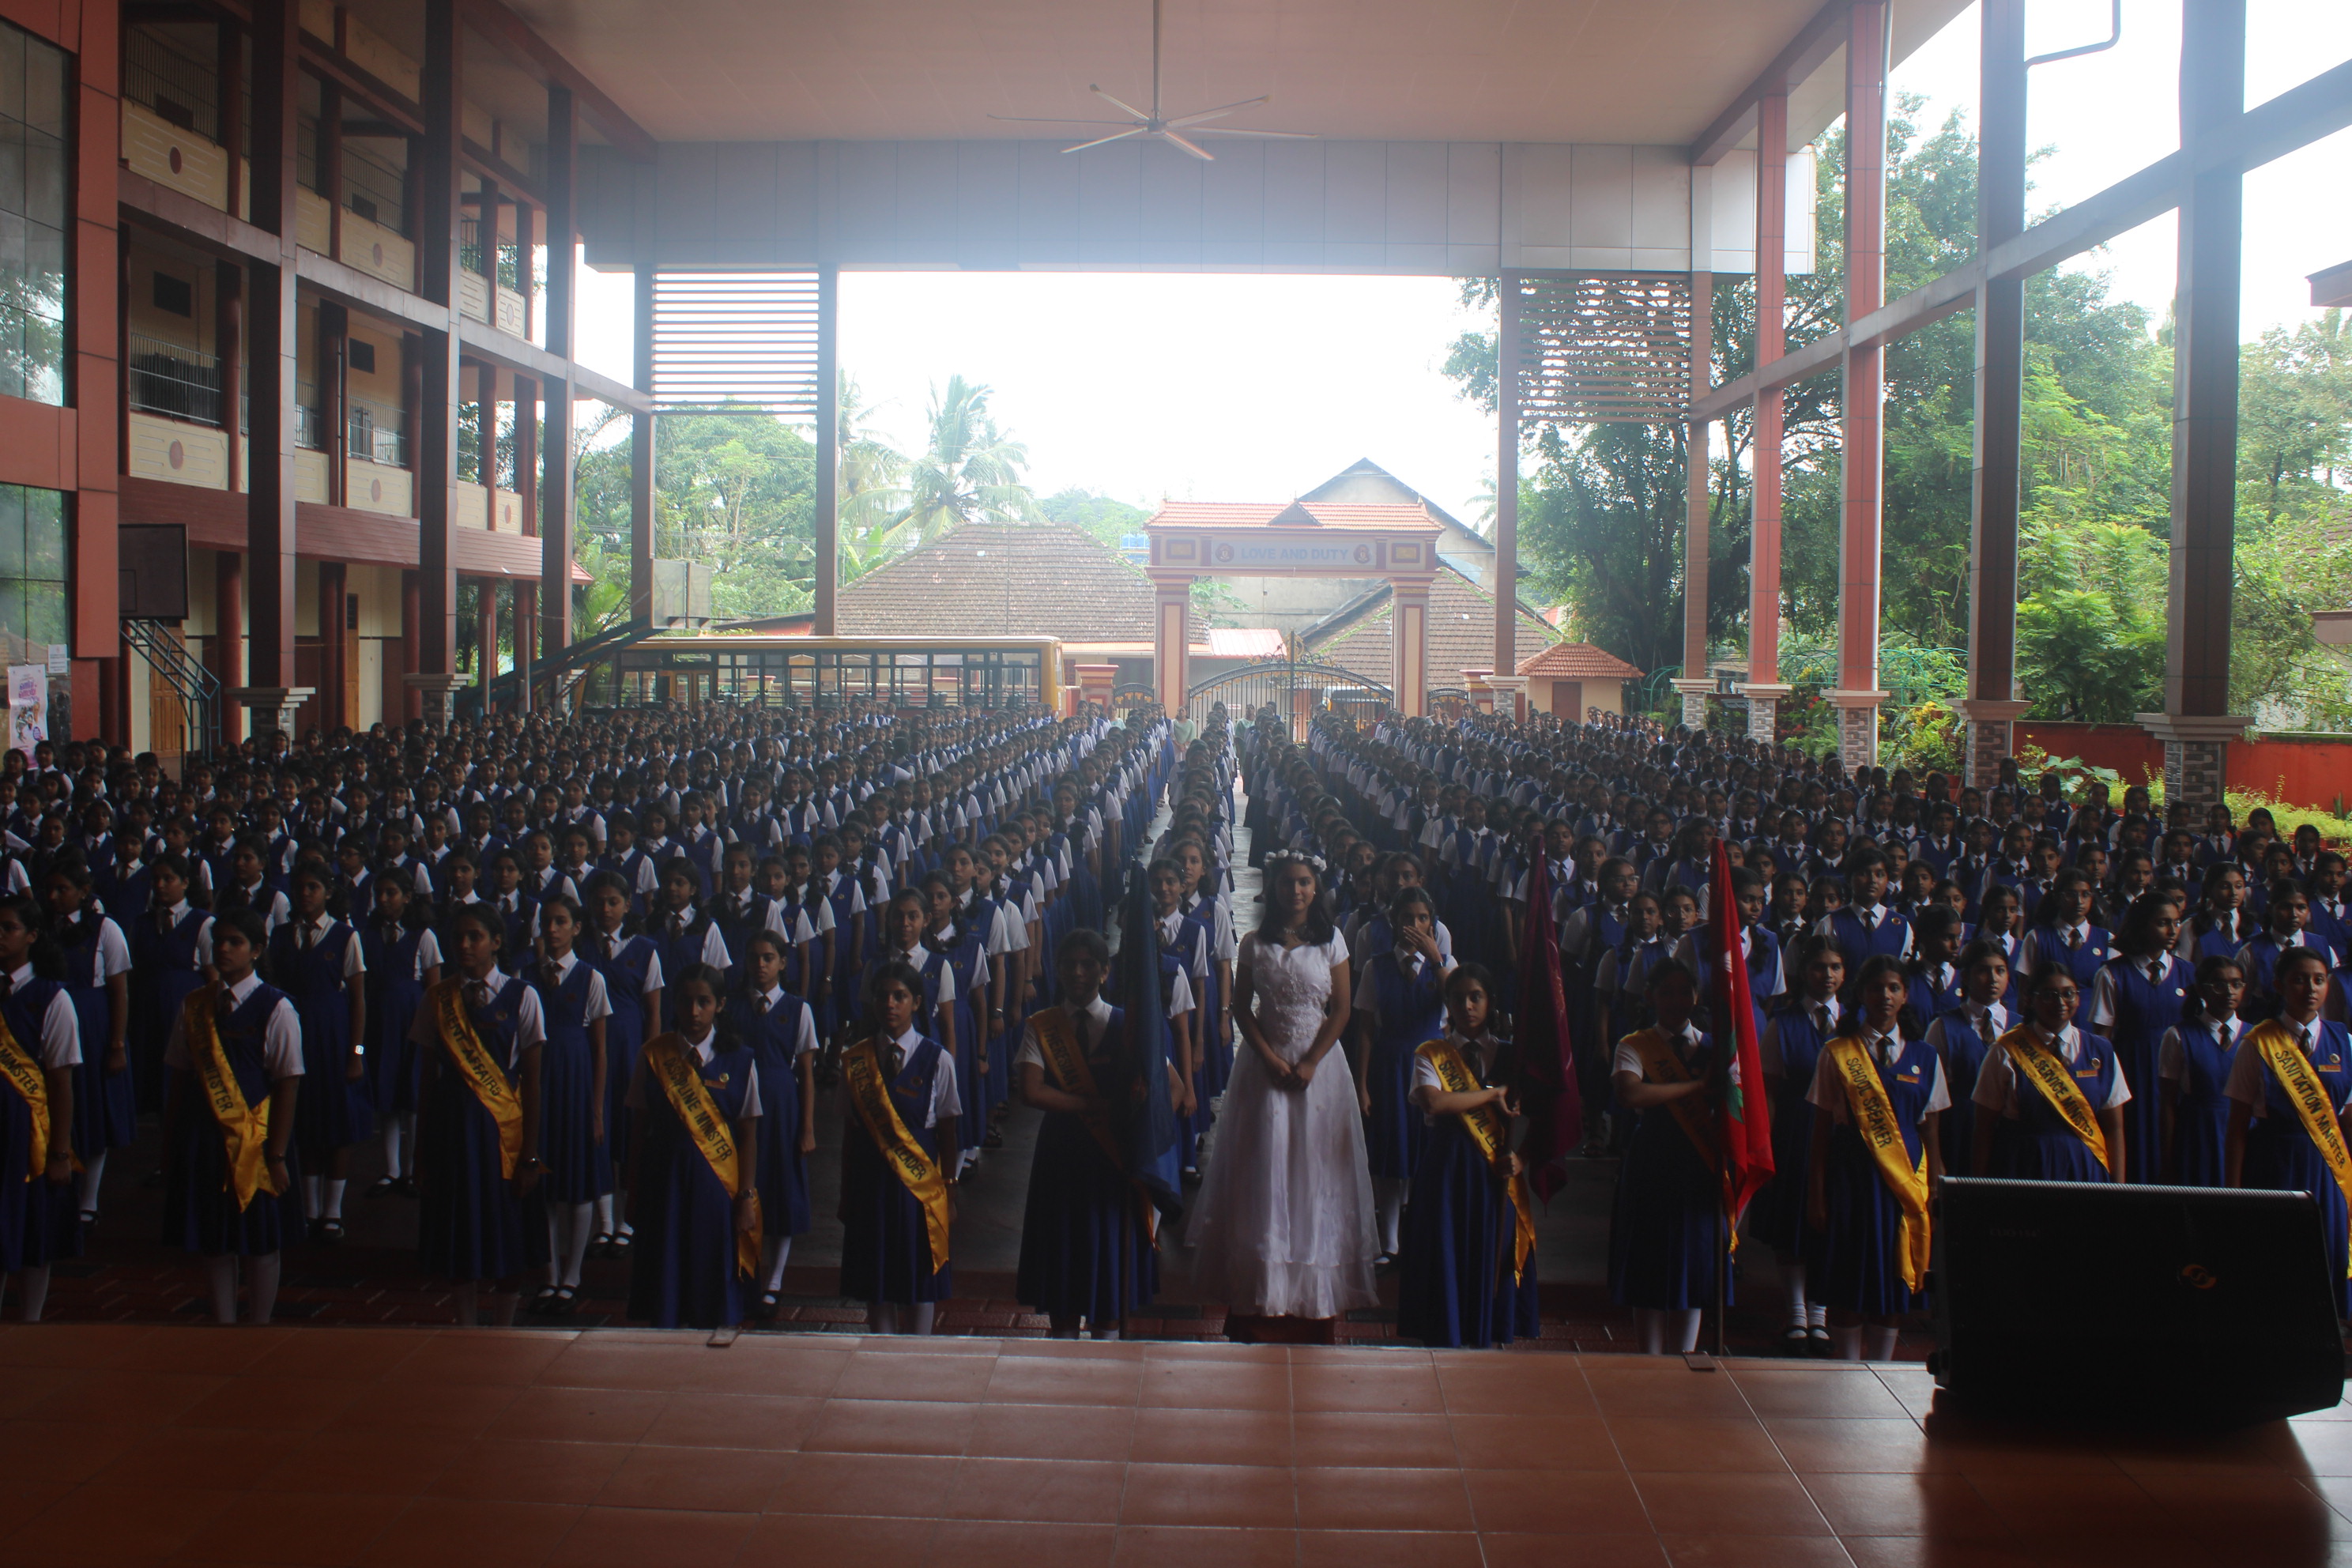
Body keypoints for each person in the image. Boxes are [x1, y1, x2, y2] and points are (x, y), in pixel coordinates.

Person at [1186, 850, 1377, 1340]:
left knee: (1315, 1168)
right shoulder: (1254, 943)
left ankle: (1313, 1283)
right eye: (1288, 883)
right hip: (1265, 1065)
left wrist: (1311, 1061)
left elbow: (1341, 1010)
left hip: (1320, 1067)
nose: (1296, 890)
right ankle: (1267, 1281)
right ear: (1273, 887)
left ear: (1316, 888)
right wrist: (1270, 1057)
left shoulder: (1332, 941)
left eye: (1305, 882)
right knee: (1267, 1164)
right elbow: (1240, 1007)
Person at [1014, 929, 1164, 1339]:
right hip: (1061, 1158)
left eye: (1088, 964)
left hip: (1112, 1158)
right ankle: (1062, 1346)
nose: (1078, 973)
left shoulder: (1128, 1025)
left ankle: (1106, 1345)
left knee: (1108, 1257)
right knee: (1063, 1255)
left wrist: (1137, 1110)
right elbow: (1031, 1090)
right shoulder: (1042, 1026)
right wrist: (1095, 1105)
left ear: (1105, 971)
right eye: (1069, 965)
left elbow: (1173, 1088)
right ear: (1058, 970)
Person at [158, 908, 302, 1324]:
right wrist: (170, 1143)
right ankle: (222, 1323)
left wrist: (277, 1154)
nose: (223, 949)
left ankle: (259, 1323)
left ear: (256, 950)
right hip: (205, 1135)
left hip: (257, 1140)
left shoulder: (277, 1007)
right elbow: (180, 1077)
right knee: (214, 1236)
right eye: (218, 941)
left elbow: (288, 1083)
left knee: (261, 1238)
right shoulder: (194, 1005)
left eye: (235, 942)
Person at [1805, 953, 1947, 1363]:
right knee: (1848, 1277)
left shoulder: (1926, 1056)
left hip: (1904, 1182)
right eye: (1876, 988)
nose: (1885, 995)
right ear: (1861, 995)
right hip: (1851, 1176)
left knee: (1894, 1277)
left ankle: (1882, 1368)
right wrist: (1816, 1194)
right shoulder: (1836, 1052)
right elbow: (1820, 1134)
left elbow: (1931, 1131)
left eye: (1893, 988)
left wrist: (1934, 1188)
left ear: (1905, 995)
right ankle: (1846, 1369)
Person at [411, 903, 546, 1326]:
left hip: (502, 1136)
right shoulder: (437, 998)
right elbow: (426, 1080)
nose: (465, 945)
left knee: (506, 1231)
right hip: (452, 1131)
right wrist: (420, 1152)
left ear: (496, 942)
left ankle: (503, 1326)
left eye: (476, 937)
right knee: (458, 1231)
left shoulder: (523, 995)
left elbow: (534, 1082)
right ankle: (465, 1326)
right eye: (458, 938)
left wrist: (530, 1155)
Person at [1396, 963, 1539, 1348]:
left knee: (1490, 1258)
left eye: (1476, 997)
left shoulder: (1511, 1055)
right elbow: (1434, 1101)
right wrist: (1492, 1095)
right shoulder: (1431, 1052)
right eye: (1458, 998)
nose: (1467, 1006)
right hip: (1446, 1171)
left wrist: (1523, 1158)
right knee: (1445, 1255)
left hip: (1494, 1174)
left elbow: (1544, 1116)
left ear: (1490, 1002)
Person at [626, 963, 760, 1329]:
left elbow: (748, 1134)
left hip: (717, 1189)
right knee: (667, 1272)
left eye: (704, 1002)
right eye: (686, 1002)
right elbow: (638, 1129)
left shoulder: (741, 1060)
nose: (694, 1011)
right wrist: (633, 1190)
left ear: (720, 1004)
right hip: (664, 1184)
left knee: (710, 1273)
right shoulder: (653, 1055)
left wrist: (746, 1196)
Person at [2226, 945, 2352, 1317]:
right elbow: (2236, 1127)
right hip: (2274, 1161)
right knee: (2279, 1251)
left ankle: (2330, 1327)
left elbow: (2347, 1118)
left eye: (2319, 980)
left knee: (2331, 1248)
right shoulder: (2257, 1043)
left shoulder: (2344, 1040)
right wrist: (2232, 1192)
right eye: (2299, 980)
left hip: (2329, 1165)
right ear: (2279, 985)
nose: (2310, 989)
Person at [1608, 959, 1724, 1355]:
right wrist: (1696, 1087)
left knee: (1694, 1262)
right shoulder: (1634, 1044)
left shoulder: (1714, 1047)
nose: (1676, 1001)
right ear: (1650, 997)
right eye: (1666, 992)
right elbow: (1630, 1093)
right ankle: (1649, 1359)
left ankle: (1685, 1357)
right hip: (1652, 1162)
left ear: (1697, 995)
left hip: (1700, 1163)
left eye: (1684, 992)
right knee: (1648, 1261)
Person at [839, 961, 958, 1333]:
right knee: (876, 1274)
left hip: (918, 1189)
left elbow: (949, 1130)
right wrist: (846, 1191)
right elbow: (850, 1132)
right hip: (870, 1184)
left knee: (920, 1271)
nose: (890, 1004)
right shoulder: (855, 1061)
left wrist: (949, 1190)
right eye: (882, 996)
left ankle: (919, 1349)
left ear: (917, 1002)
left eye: (900, 996)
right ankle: (879, 1347)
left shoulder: (938, 1059)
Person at [1751, 937, 1843, 1354]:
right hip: (1795, 1131)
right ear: (1803, 972)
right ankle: (1796, 1314)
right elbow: (1769, 1090)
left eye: (1835, 967)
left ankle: (1820, 1313)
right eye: (1819, 967)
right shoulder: (1783, 1023)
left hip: (1842, 1136)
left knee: (1830, 1224)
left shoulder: (1854, 1021)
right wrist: (1767, 1143)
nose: (1828, 975)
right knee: (1792, 1225)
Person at [1351, 888, 1451, 1264]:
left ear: (1432, 924)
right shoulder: (1376, 967)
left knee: (1427, 1149)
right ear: (1394, 922)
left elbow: (1456, 1005)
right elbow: (1364, 1030)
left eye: (1422, 919)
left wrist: (1436, 959)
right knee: (1392, 1149)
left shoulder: (1445, 965)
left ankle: (1423, 1235)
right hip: (1391, 1065)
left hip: (1433, 1067)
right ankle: (1389, 1241)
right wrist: (1361, 1084)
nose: (1415, 926)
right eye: (1407, 918)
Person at [269, 864, 368, 1241]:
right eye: (300, 887)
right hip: (295, 1038)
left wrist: (356, 1052)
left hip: (335, 1041)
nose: (306, 893)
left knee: (337, 1127)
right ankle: (308, 1208)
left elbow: (359, 1001)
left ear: (328, 892)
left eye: (313, 886)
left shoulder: (345, 936)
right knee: (305, 1123)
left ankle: (332, 1211)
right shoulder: (281, 936)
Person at [724, 928, 817, 1319]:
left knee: (781, 1188)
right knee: (744, 1185)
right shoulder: (731, 1007)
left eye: (768, 958)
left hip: (781, 1105)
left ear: (782, 962)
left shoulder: (797, 1008)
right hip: (740, 1104)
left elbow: (807, 1072)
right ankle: (743, 1270)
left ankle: (774, 1280)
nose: (760, 965)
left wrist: (807, 1127)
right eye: (754, 958)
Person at [528, 894, 611, 1314]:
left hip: (575, 1084)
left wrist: (596, 1110)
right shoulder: (526, 977)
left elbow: (600, 1051)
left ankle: (572, 1275)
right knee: (540, 1183)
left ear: (577, 928)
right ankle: (548, 1274)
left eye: (561, 921)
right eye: (547, 921)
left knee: (577, 1182)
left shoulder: (591, 978)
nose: (553, 929)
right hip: (538, 1084)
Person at [1973, 964, 2128, 1182]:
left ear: (2078, 997)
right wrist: (1979, 1185)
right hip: (2023, 1167)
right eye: (2049, 995)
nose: (2060, 1002)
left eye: (2068, 994)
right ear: (2030, 999)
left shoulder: (2101, 1050)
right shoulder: (2005, 1050)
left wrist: (2118, 1188)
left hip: (2084, 1167)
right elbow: (1984, 1128)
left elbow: (2114, 1129)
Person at [0, 892, 77, 1320]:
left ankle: (31, 1321)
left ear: (31, 935)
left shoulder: (52, 998)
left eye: (8, 928)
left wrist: (60, 1152)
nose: (0, 936)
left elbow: (61, 1081)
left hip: (29, 1132)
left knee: (33, 1226)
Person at [47, 857, 130, 1229]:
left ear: (83, 892)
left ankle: (89, 1198)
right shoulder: (42, 927)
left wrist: (116, 1044)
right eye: (50, 889)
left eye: (62, 889)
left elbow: (119, 989)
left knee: (91, 1110)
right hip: (51, 1020)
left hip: (91, 1024)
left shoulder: (104, 928)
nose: (54, 897)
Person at [2090, 895, 2192, 1184]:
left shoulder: (2189, 972)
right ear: (2142, 926)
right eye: (2163, 923)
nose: (2172, 931)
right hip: (2132, 1070)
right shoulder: (2112, 973)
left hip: (2176, 1073)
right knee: (2136, 1139)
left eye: (2176, 923)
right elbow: (2101, 1040)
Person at [360, 872, 440, 1198]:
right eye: (379, 892)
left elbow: (434, 990)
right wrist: (358, 1047)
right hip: (380, 1024)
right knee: (387, 1096)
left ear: (407, 896)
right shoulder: (367, 935)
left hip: (413, 1024)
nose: (383, 899)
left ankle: (412, 1167)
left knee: (412, 1097)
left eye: (391, 892)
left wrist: (432, 1033)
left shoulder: (423, 936)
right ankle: (391, 1169)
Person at [1922, 939, 2011, 1184]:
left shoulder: (2021, 1027)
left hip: (2010, 1136)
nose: (1992, 979)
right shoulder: (1943, 1027)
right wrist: (1935, 1156)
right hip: (1961, 1133)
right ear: (1966, 976)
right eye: (1983, 970)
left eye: (2000, 970)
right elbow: (1929, 1100)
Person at [2161, 956, 2246, 1186]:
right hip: (2197, 1134)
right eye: (2219, 985)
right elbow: (2168, 1103)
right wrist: (2168, 1157)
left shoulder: (2255, 1037)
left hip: (2243, 1133)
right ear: (2201, 989)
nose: (2229, 991)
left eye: (2236, 984)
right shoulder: (2178, 1035)